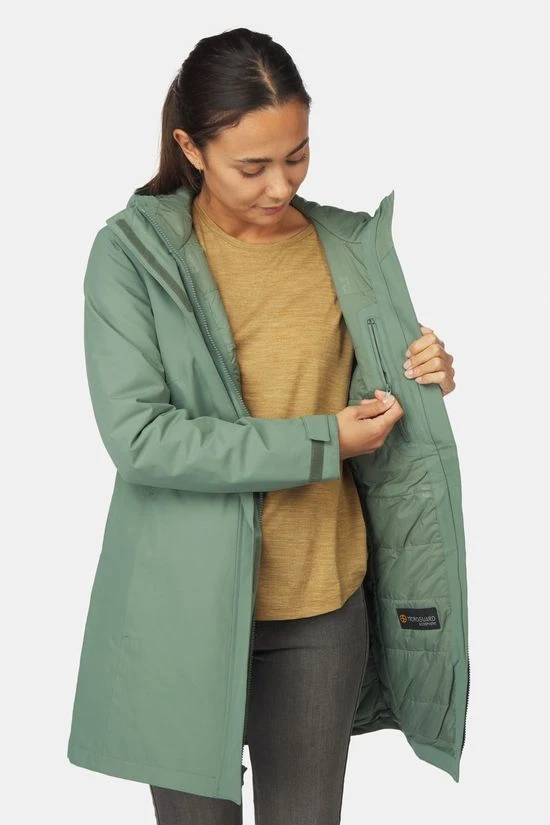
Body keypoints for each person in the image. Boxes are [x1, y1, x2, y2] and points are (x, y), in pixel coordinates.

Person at [67, 26, 464, 825]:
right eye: (252, 166)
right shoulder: (132, 256)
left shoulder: (349, 248)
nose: (281, 185)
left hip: (320, 603)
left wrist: (423, 376)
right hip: (183, 606)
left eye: (298, 156)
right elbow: (143, 439)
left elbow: (373, 388)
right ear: (191, 147)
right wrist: (325, 441)